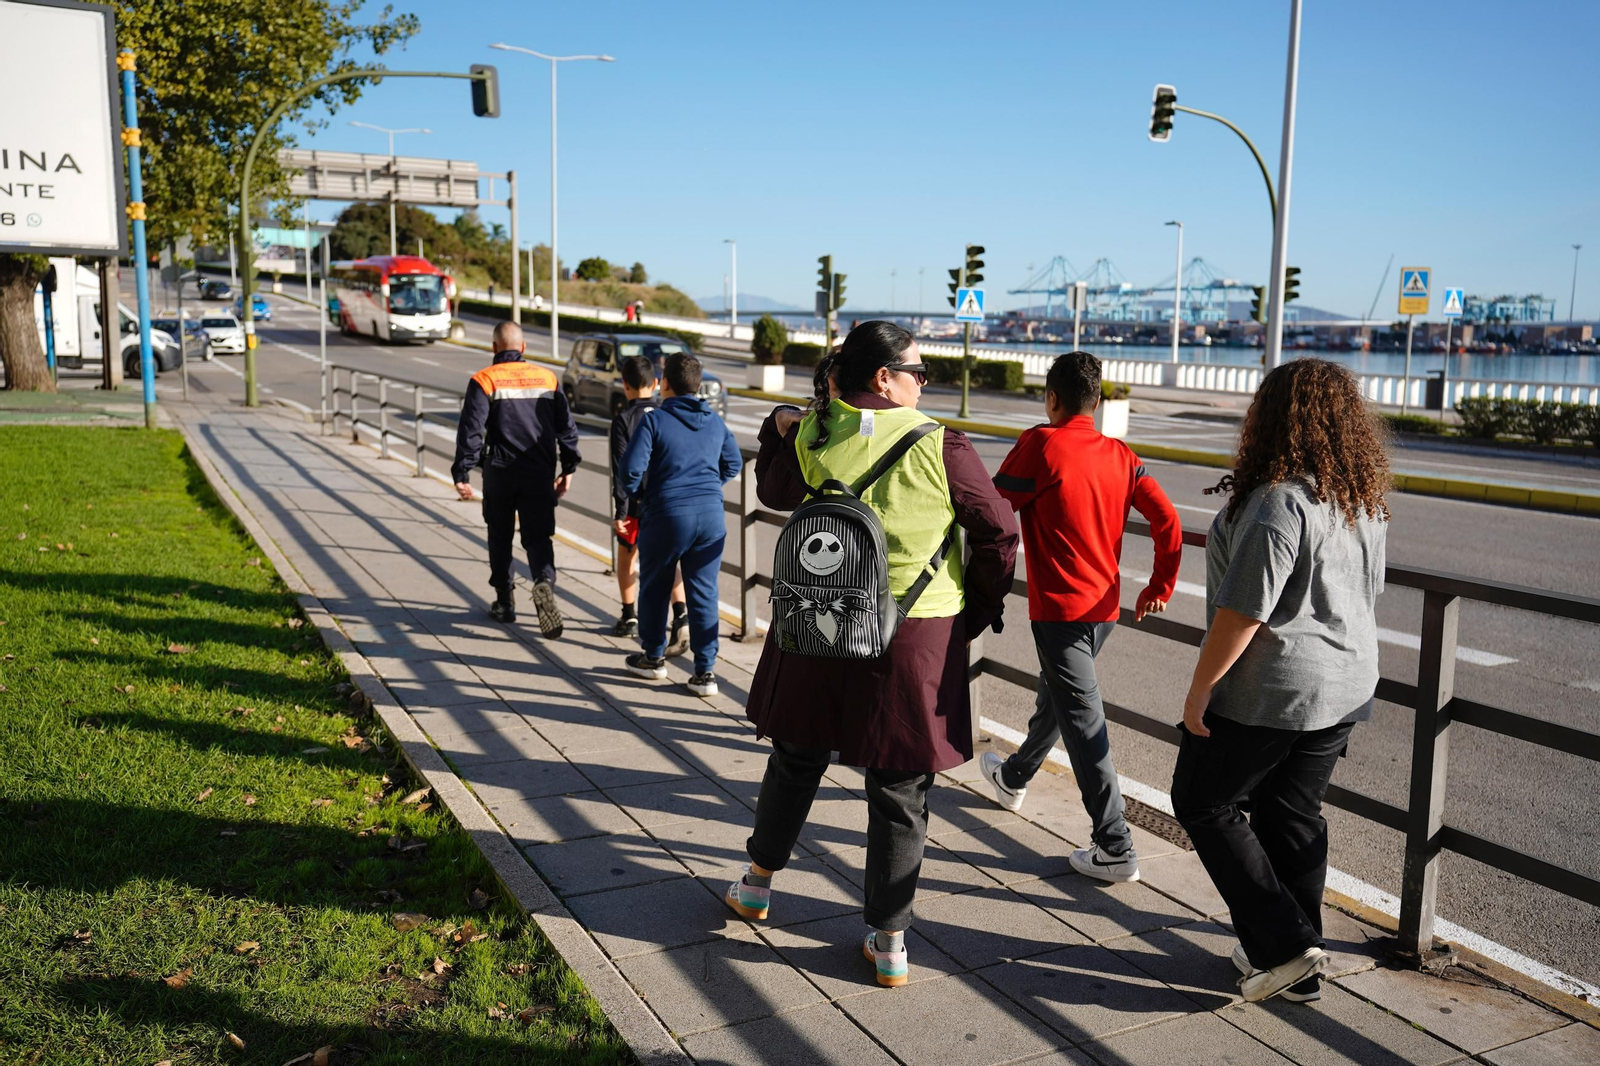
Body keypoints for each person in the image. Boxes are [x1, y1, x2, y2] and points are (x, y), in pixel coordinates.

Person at [727, 321, 1017, 987]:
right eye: (919, 371)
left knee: (796, 757)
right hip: (914, 632)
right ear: (884, 377)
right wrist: (976, 607)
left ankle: (757, 886)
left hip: (821, 614)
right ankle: (889, 942)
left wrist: (779, 428)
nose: (925, 383)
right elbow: (999, 530)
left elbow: (773, 493)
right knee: (900, 785)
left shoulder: (814, 431)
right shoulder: (941, 444)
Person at [1171, 358, 1390, 1005]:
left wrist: (1199, 688)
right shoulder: (1359, 497)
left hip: (1275, 686)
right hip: (1347, 685)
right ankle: (1299, 957)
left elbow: (1244, 610)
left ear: (1272, 419)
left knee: (1203, 801)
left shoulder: (1280, 500)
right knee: (1291, 814)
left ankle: (1286, 944)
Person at [981, 351, 1182, 884]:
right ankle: (1014, 776)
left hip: (1059, 613)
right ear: (1097, 402)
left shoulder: (1039, 444)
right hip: (1104, 610)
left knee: (1083, 720)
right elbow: (1168, 522)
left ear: (1051, 398)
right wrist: (1159, 585)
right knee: (1064, 699)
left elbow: (991, 509)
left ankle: (1114, 844)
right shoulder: (1122, 455)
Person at [620, 352, 742, 696]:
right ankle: (705, 673)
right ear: (698, 385)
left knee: (656, 587)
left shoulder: (654, 421)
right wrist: (707, 486)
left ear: (666, 383)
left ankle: (654, 659)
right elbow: (733, 463)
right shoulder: (714, 421)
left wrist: (644, 495)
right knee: (703, 592)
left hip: (667, 514)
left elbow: (629, 471)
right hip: (711, 517)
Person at [451, 321, 579, 638]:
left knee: (500, 536)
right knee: (538, 538)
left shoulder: (484, 380)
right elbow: (566, 428)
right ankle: (543, 582)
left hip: (500, 472)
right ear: (523, 348)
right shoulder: (547, 378)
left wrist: (462, 472)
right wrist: (569, 467)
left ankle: (504, 602)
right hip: (539, 472)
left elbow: (472, 430)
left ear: (494, 347)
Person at [610, 353, 688, 652]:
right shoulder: (665, 413)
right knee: (670, 560)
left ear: (624, 384)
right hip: (665, 501)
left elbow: (621, 468)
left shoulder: (623, 420)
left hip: (634, 503)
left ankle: (629, 616)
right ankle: (680, 613)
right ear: (656, 383)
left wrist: (620, 509)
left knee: (627, 557)